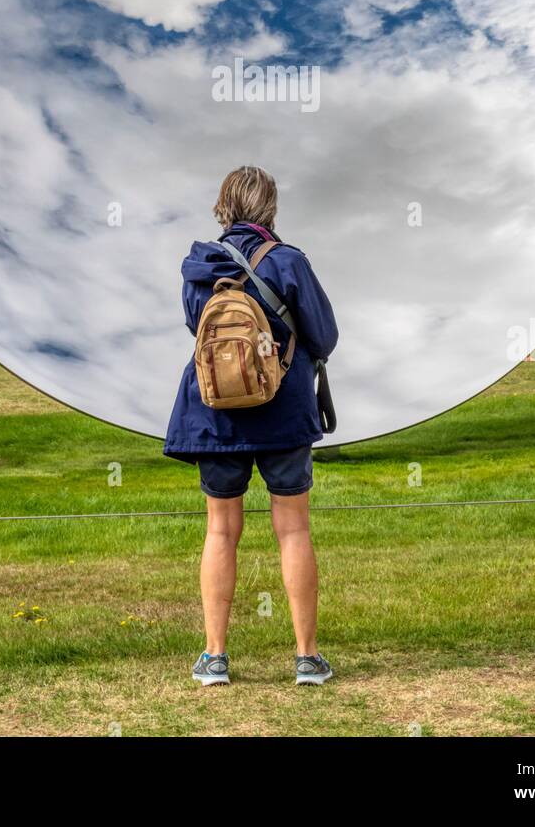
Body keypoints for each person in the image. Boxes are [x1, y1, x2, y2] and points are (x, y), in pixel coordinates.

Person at [163, 165, 339, 687]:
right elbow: (324, 337)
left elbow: (200, 331)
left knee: (220, 530)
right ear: (270, 209)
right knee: (293, 529)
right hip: (283, 413)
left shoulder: (198, 266)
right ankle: (307, 659)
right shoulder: (289, 263)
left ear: (224, 206)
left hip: (216, 414)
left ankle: (215, 658)